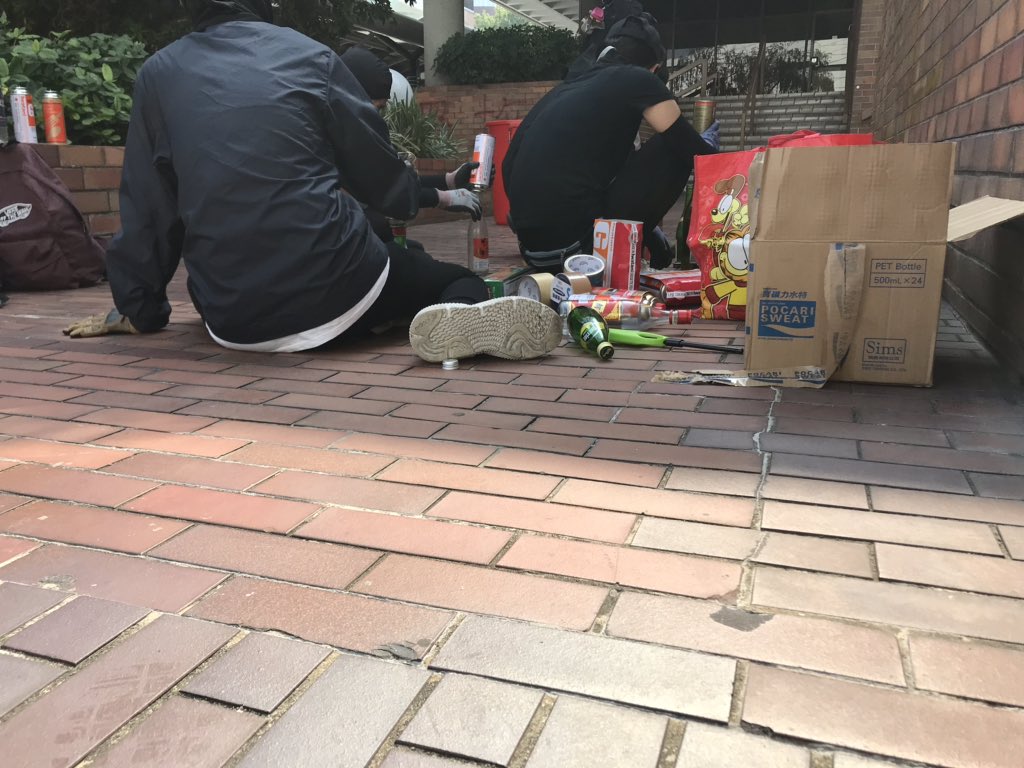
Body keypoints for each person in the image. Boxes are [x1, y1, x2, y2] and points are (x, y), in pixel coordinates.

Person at [63, 0, 561, 363]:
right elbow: (383, 183)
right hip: (339, 285)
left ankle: (398, 314)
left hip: (232, 318)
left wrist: (140, 309)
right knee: (456, 278)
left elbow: (149, 210)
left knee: (386, 261)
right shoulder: (312, 58)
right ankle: (460, 314)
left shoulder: (157, 75)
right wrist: (428, 194)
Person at [503, 14, 720, 271]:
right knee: (672, 148)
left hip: (533, 252)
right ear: (653, 68)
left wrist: (649, 232)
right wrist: (706, 146)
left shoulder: (566, 88)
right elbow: (695, 154)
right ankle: (620, 250)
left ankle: (639, 241)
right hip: (581, 249)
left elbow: (508, 166)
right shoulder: (639, 80)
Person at [338, 46, 483, 241]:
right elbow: (391, 193)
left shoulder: (341, 127)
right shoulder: (343, 137)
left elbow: (389, 180)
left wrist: (449, 180)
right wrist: (443, 198)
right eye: (378, 108)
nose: (379, 117)